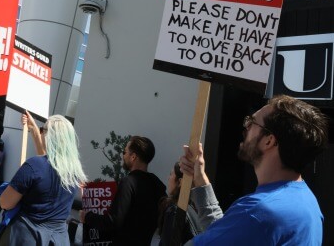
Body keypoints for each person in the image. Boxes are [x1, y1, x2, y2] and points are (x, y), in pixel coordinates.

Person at [179, 95, 328, 245]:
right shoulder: (305, 200)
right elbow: (228, 234)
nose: (246, 126)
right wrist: (200, 181)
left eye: (252, 122)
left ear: (269, 141)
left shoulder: (258, 212)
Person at [0, 114, 86, 245]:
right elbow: (46, 163)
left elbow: (5, 203)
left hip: (28, 236)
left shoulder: (34, 165)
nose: (41, 133)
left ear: (49, 136)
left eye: (42, 130)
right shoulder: (75, 172)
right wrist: (34, 128)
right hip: (59, 239)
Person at [81, 135, 166, 245]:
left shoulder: (129, 182)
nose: (123, 156)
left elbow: (113, 221)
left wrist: (87, 216)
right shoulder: (157, 184)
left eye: (124, 152)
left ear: (133, 157)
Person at [157, 162, 202, 245]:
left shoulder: (175, 211)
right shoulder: (192, 208)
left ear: (180, 182)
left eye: (171, 175)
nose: (168, 178)